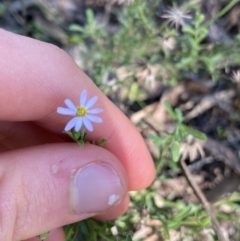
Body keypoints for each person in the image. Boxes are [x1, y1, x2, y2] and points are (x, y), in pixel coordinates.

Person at [0, 29, 155, 241]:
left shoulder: (80, 116)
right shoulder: (78, 116)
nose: (81, 110)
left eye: (83, 110)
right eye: (81, 110)